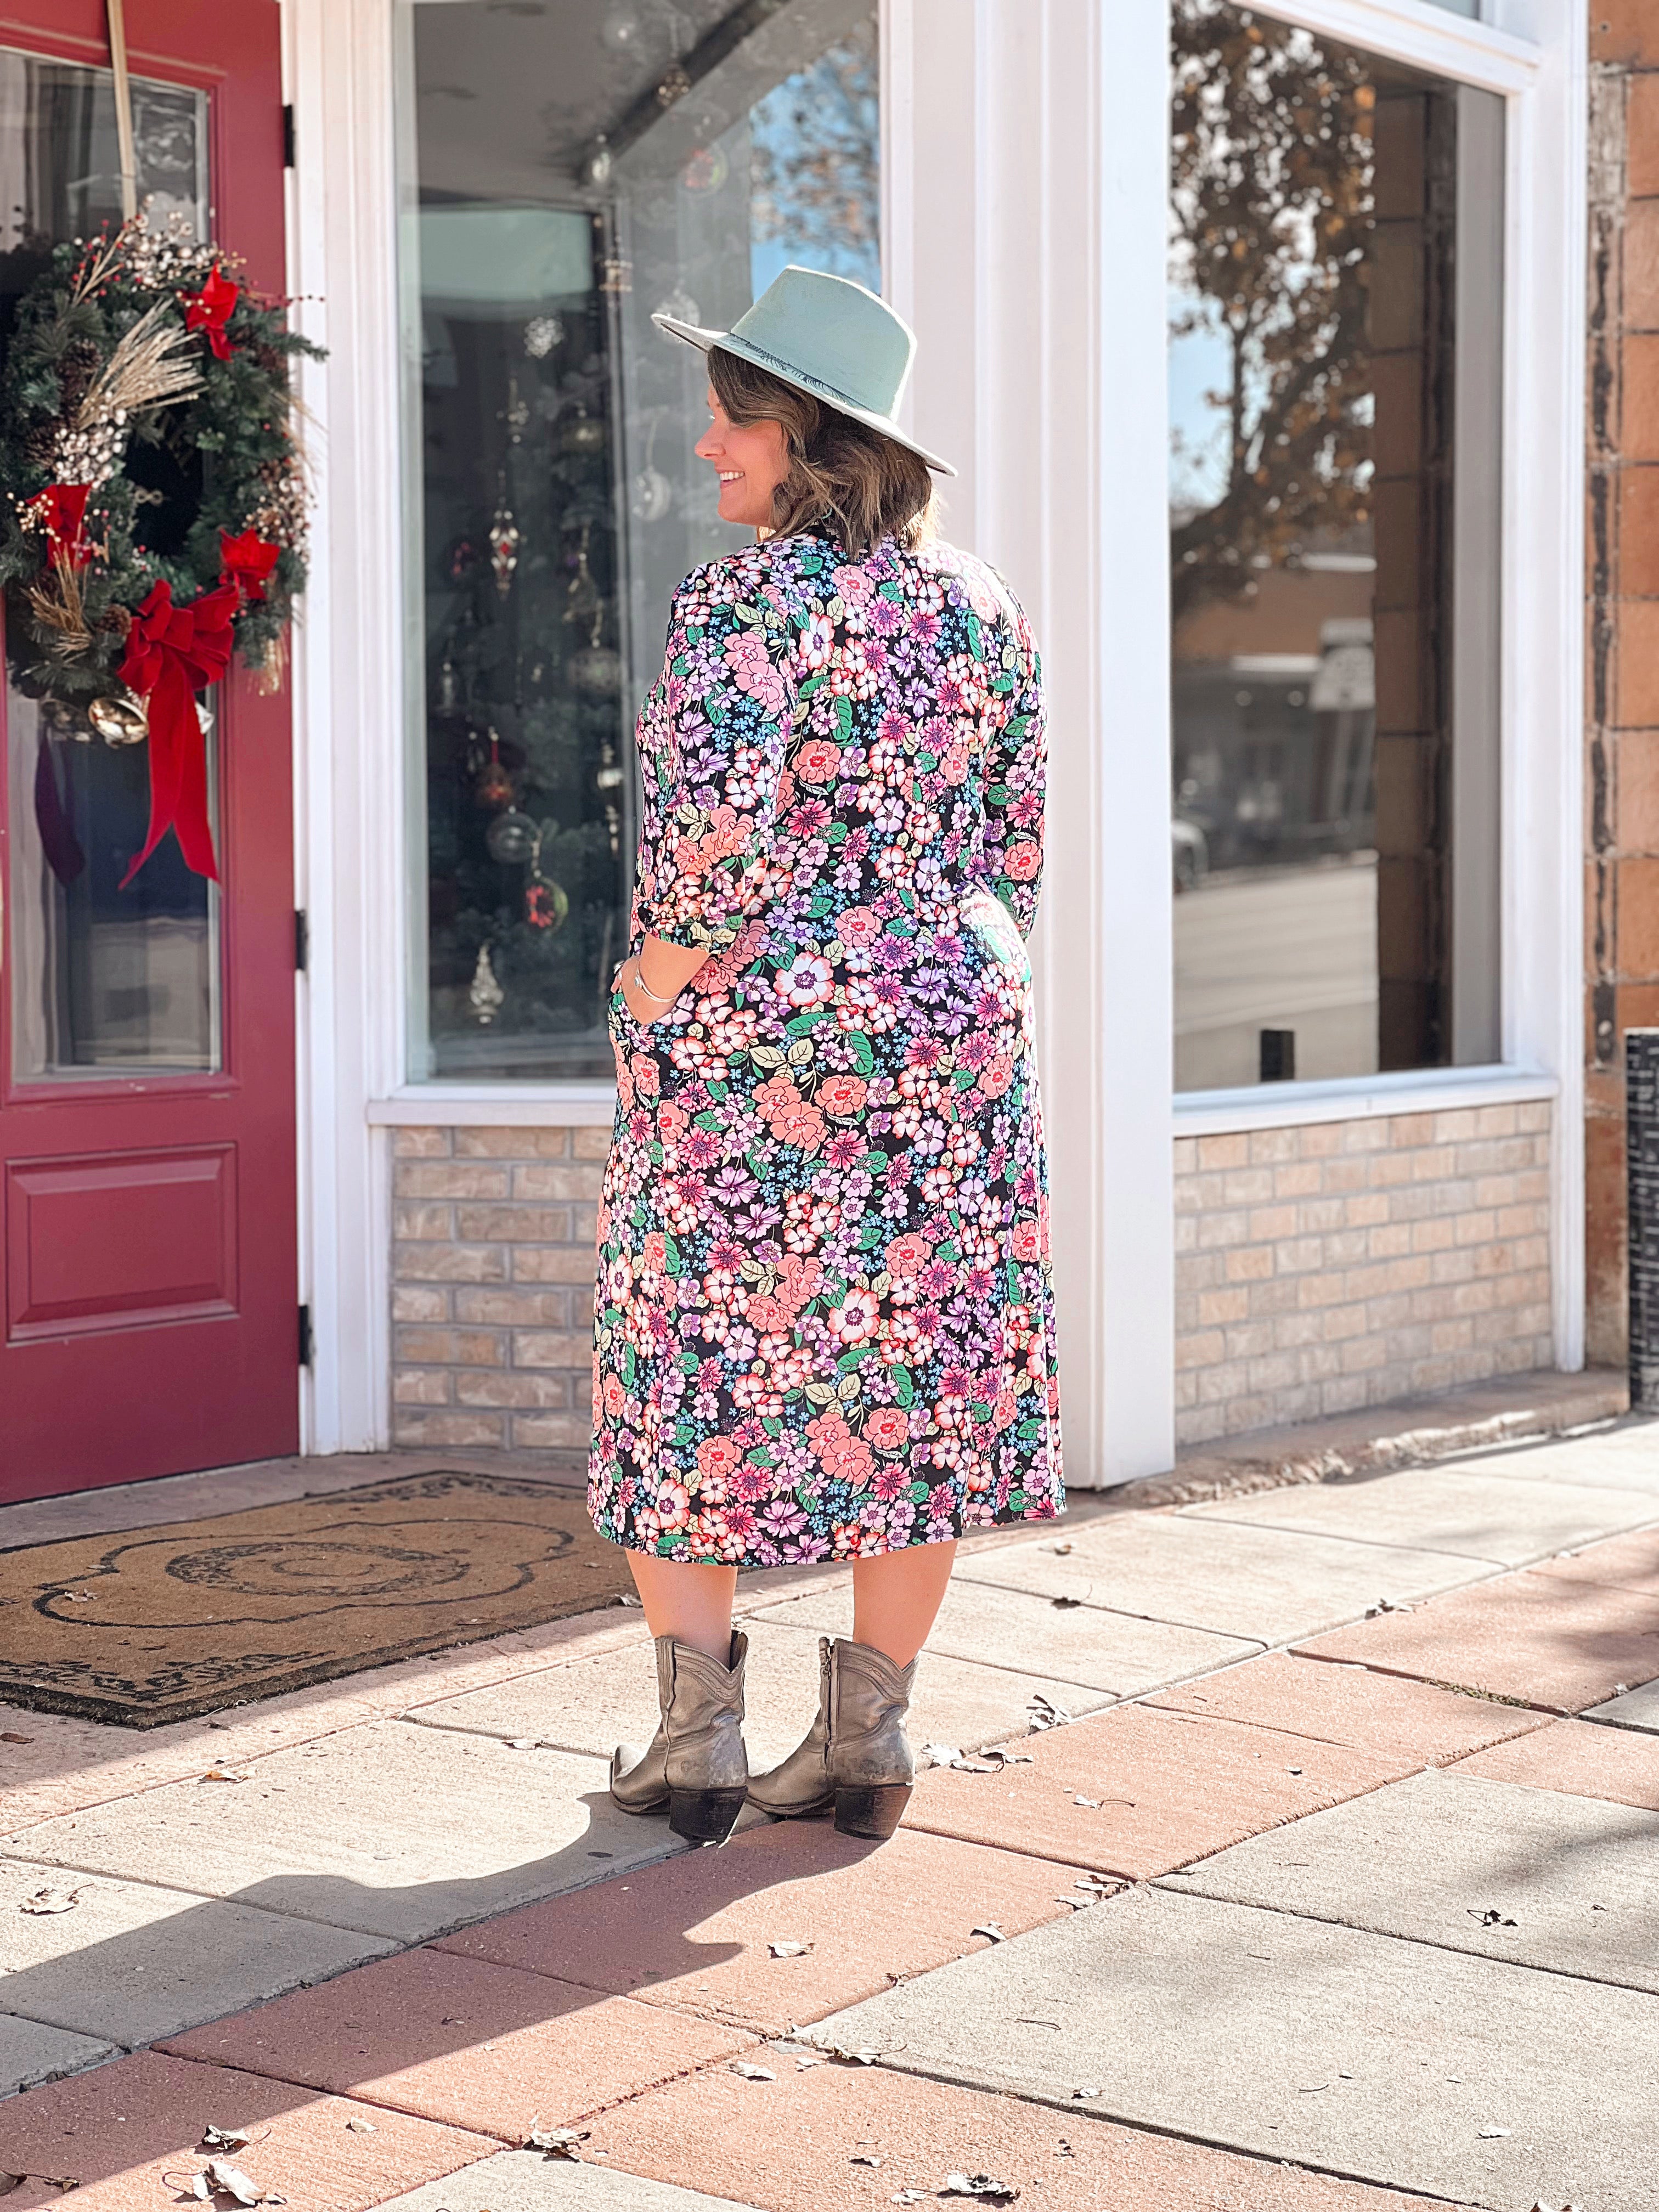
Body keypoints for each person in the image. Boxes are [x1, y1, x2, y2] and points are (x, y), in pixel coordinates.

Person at [590, 264, 1063, 1848]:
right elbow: (1015, 847)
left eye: (729, 418)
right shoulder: (979, 602)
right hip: (949, 1046)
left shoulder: (743, 606)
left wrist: (648, 982)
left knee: (686, 1365)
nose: (707, 445)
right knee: (914, 1376)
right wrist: (954, 966)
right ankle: (867, 1741)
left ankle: (696, 1743)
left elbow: (712, 847)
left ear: (801, 434)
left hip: (753, 1042)